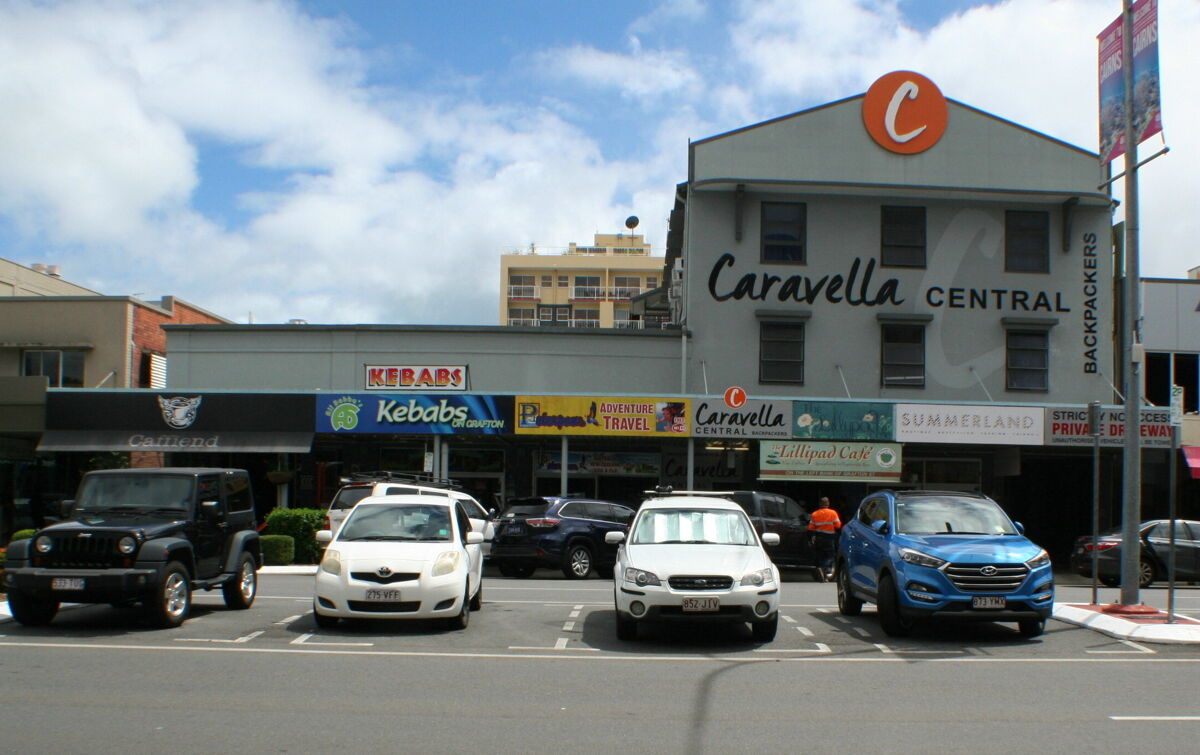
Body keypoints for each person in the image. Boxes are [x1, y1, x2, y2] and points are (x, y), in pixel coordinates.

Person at [807, 496, 841, 582]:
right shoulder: (833, 513)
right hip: (829, 539)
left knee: (820, 556)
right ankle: (823, 568)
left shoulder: (814, 514)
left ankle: (823, 574)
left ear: (820, 504)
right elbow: (838, 526)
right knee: (831, 556)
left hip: (819, 539)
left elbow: (810, 529)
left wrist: (810, 540)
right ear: (828, 504)